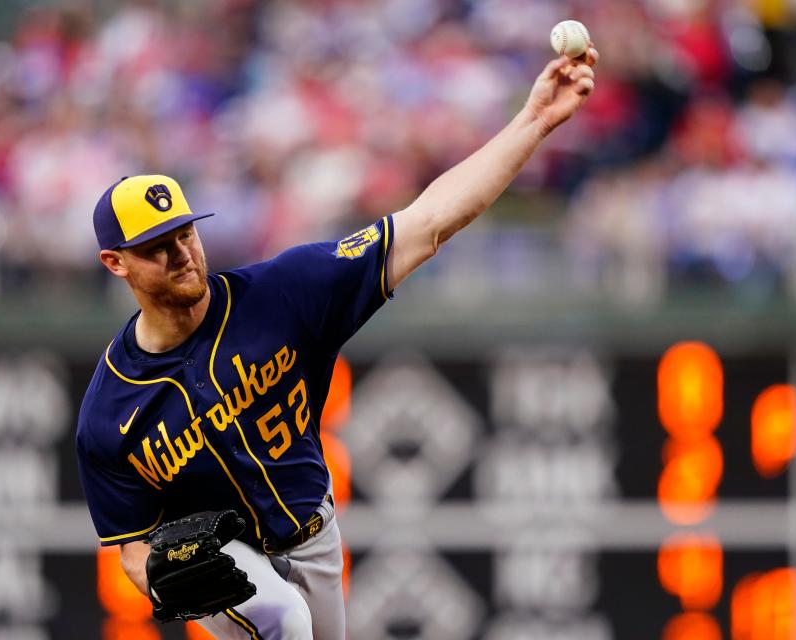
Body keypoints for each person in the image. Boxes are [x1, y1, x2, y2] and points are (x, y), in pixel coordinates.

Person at [76, 47, 598, 640]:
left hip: (317, 537)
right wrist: (163, 577)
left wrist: (535, 121)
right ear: (116, 263)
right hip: (225, 560)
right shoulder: (109, 413)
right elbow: (131, 549)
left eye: (185, 232)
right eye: (155, 246)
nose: (181, 254)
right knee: (286, 622)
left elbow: (427, 223)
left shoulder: (284, 292)